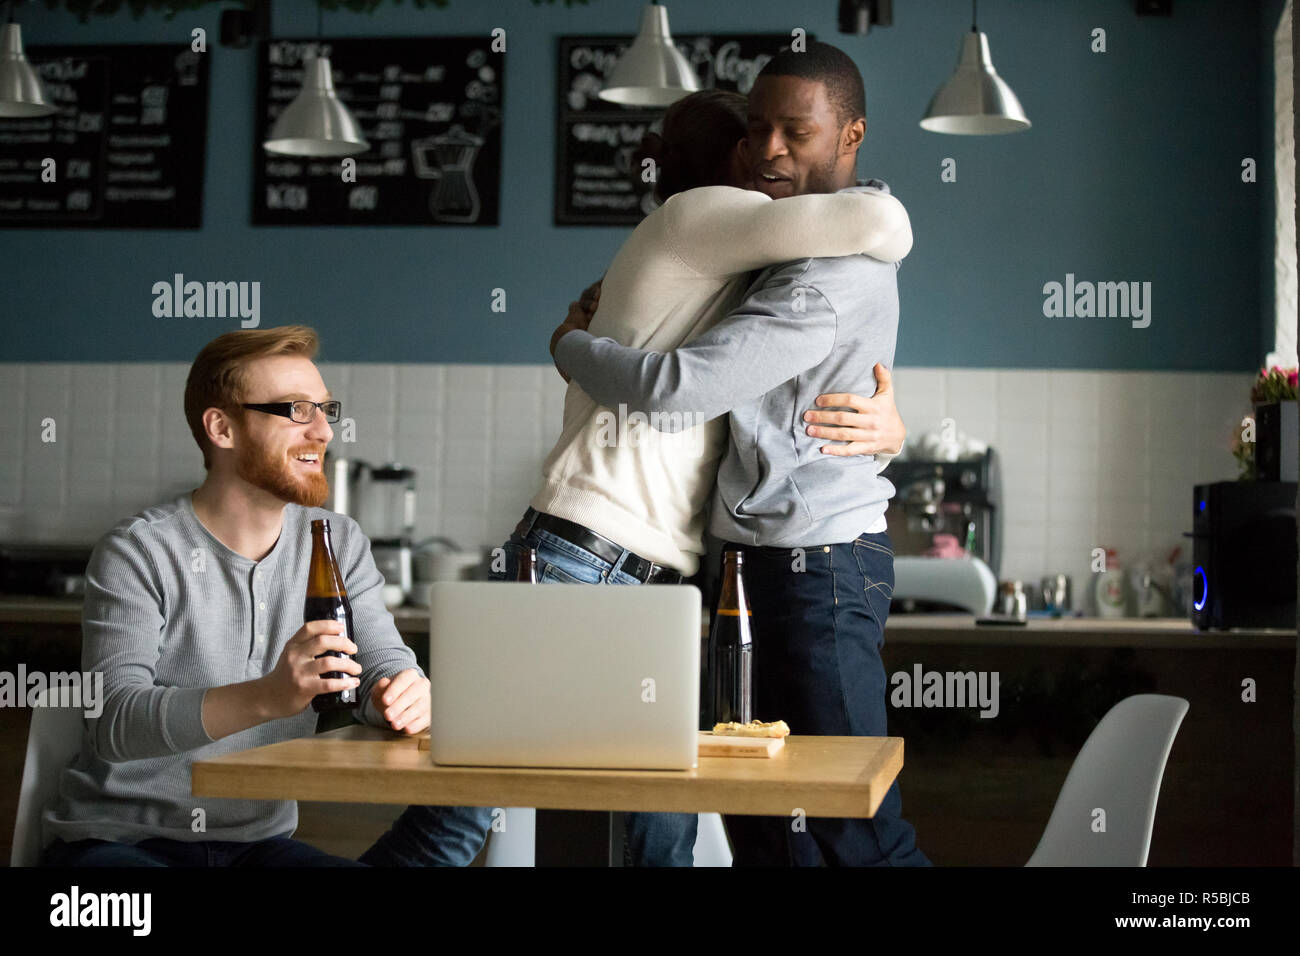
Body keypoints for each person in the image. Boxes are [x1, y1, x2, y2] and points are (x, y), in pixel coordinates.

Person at [492, 88, 913, 866]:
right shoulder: (702, 219)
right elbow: (882, 223)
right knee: (493, 808)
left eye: (790, 136)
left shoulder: (735, 269)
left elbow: (789, 391)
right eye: (758, 141)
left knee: (662, 828)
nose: (774, 158)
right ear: (732, 163)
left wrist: (890, 431)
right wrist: (565, 346)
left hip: (656, 569)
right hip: (593, 553)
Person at [41, 326, 493, 867]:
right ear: (222, 428)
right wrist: (268, 695)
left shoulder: (337, 540)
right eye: (297, 410)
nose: (324, 431)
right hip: (117, 842)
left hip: (256, 846)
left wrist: (399, 694)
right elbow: (114, 721)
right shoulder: (139, 550)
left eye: (325, 410)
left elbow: (380, 666)